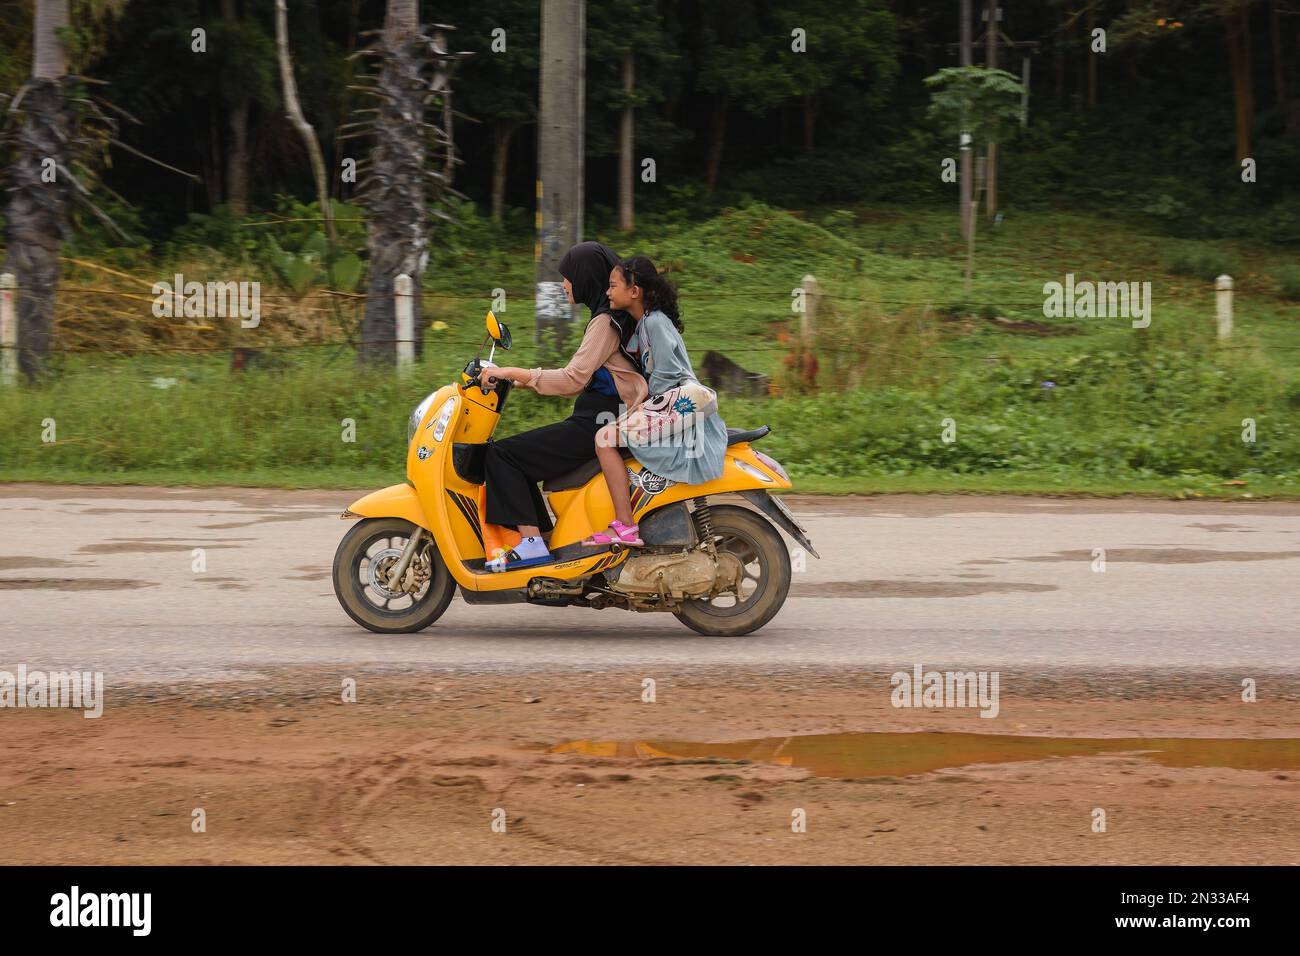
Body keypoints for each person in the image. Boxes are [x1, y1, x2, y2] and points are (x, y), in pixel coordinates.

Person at [480, 241, 648, 571]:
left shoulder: (605, 321)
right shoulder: (615, 317)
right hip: (604, 415)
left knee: (501, 454)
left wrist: (514, 371)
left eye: (568, 276)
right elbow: (589, 378)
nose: (563, 284)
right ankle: (541, 536)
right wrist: (525, 381)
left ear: (586, 277)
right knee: (521, 456)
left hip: (598, 422)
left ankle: (531, 545)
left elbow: (573, 379)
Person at [584, 256, 728, 546]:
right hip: (672, 403)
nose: (608, 292)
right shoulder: (647, 323)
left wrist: (637, 410)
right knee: (613, 432)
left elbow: (668, 374)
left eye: (613, 286)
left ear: (634, 291)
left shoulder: (655, 323)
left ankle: (625, 525)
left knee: (604, 438)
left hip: (678, 402)